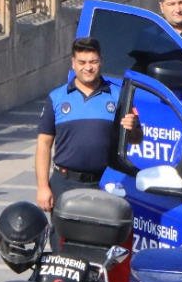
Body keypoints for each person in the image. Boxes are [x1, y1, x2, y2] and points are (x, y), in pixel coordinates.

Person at [35, 38, 142, 213]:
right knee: (62, 240)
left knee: (102, 238)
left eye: (93, 61)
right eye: (82, 62)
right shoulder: (57, 97)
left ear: (101, 61)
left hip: (104, 184)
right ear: (73, 63)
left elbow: (137, 139)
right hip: (64, 183)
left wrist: (133, 128)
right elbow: (44, 143)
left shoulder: (118, 96)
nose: (88, 67)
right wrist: (42, 187)